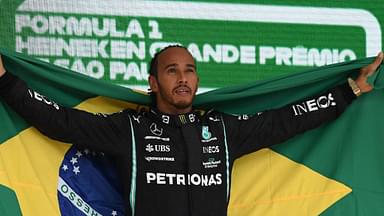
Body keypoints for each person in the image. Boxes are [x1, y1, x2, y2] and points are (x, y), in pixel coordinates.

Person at [0, 46, 382, 216]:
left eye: (189, 70)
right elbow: (60, 121)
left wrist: (348, 91)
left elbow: (288, 119)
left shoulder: (221, 130)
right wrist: (5, 81)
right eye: (172, 71)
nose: (183, 78)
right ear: (153, 83)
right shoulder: (129, 129)